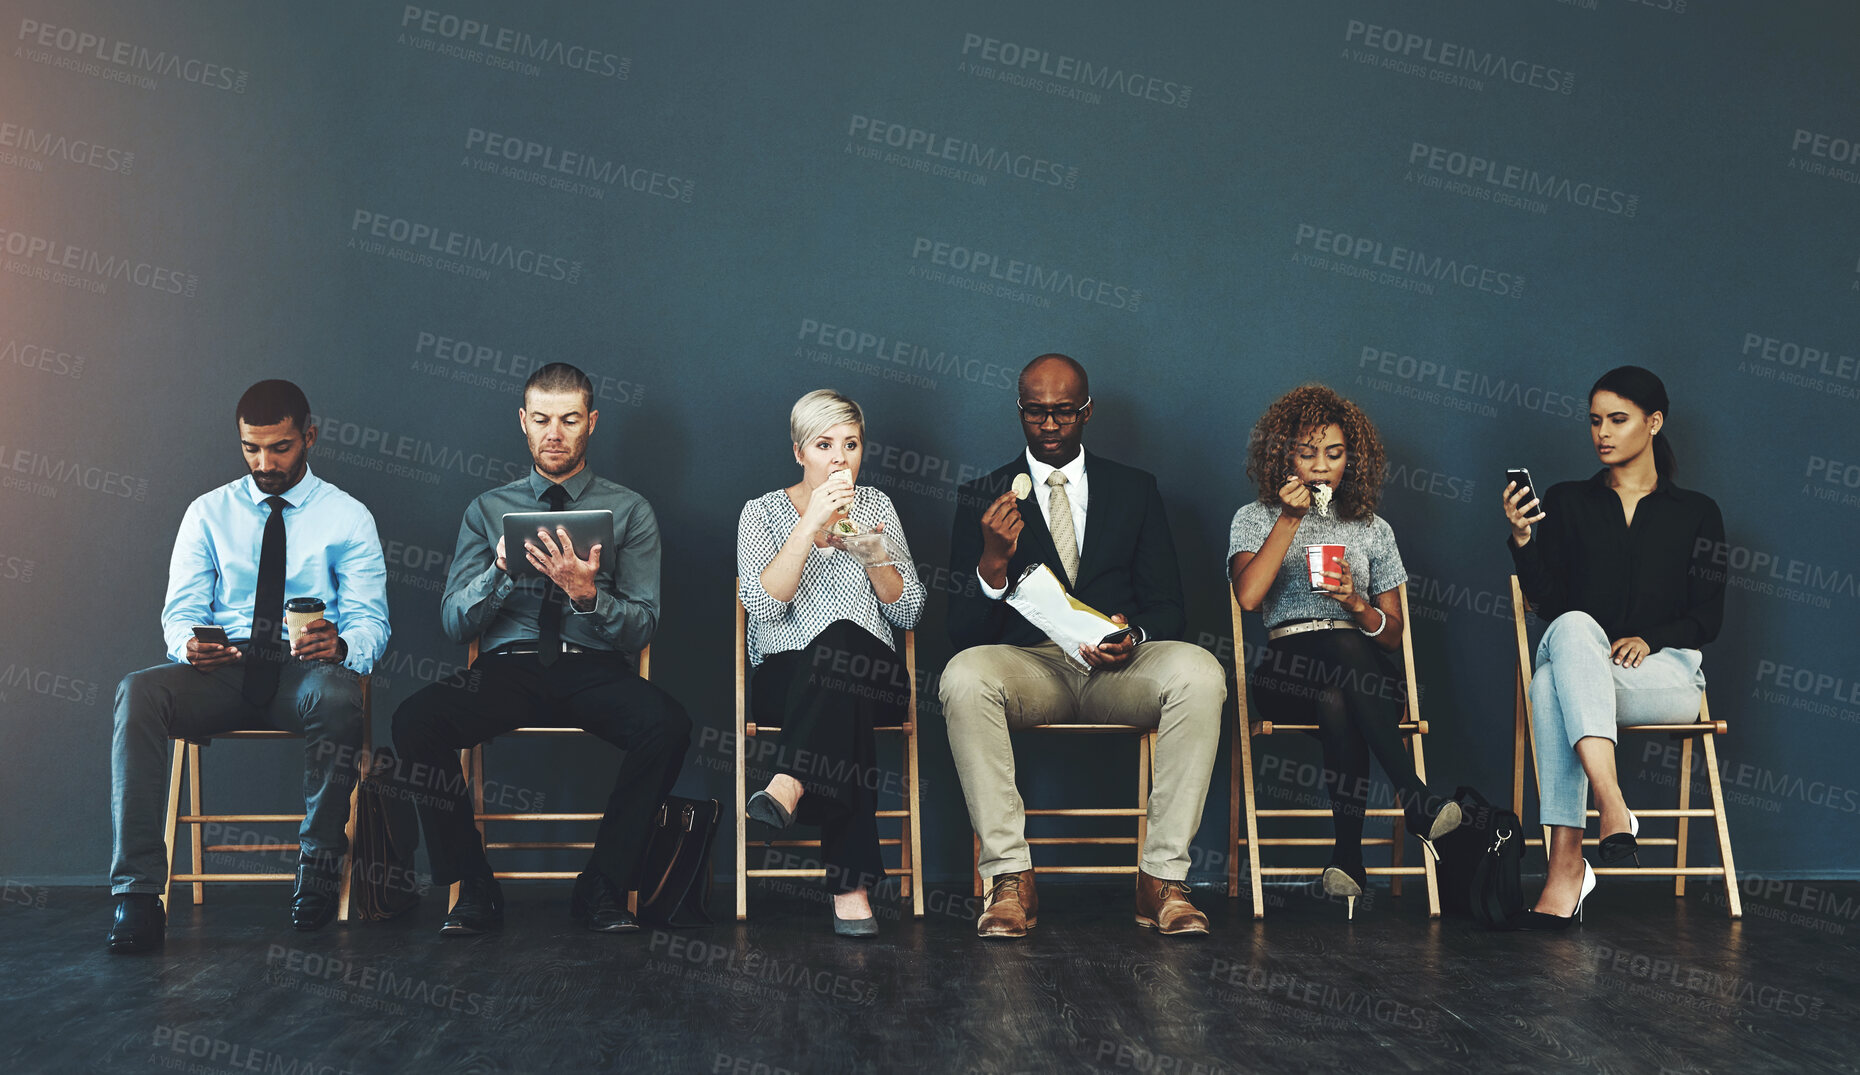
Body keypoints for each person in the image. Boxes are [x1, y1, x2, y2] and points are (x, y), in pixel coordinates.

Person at [391, 362, 691, 936]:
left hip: (593, 668)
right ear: (523, 423)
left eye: (570, 420)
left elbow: (642, 628)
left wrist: (586, 595)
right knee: (413, 721)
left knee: (669, 725)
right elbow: (455, 622)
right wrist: (499, 571)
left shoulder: (630, 510)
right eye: (543, 419)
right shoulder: (485, 510)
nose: (555, 433)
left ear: (592, 423)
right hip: (509, 670)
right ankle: (473, 885)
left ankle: (603, 884)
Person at [942, 354, 1226, 939]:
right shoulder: (984, 495)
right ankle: (1010, 881)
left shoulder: (1135, 490)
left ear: (1087, 411)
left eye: (1064, 412)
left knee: (1200, 671)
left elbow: (1170, 606)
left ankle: (1163, 879)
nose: (1049, 425)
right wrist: (992, 562)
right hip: (1033, 670)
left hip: (1118, 672)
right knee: (964, 675)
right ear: (1019, 411)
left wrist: (1132, 636)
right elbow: (962, 633)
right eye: (1036, 412)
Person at [107, 380, 390, 952]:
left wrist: (340, 645)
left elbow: (372, 625)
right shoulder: (207, 513)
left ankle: (317, 868)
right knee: (137, 692)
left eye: (280, 448)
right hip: (225, 669)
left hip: (304, 672)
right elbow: (181, 612)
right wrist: (190, 644)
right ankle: (137, 895)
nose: (266, 463)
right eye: (251, 449)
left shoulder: (347, 517)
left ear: (308, 437)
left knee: (339, 696)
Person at [1227, 385, 1463, 920]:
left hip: (1362, 671)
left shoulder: (1373, 529)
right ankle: (1415, 798)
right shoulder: (1254, 517)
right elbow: (1247, 598)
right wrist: (1289, 521)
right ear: (1284, 455)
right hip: (1286, 672)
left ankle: (1348, 860)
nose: (1320, 467)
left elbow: (1392, 634)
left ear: (1350, 458)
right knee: (1333, 657)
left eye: (1333, 454)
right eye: (1308, 453)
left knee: (1339, 687)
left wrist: (1355, 601)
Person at [1502, 365, 1723, 930]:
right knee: (1568, 644)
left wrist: (1651, 640)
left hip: (1665, 678)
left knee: (1549, 685)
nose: (1602, 432)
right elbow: (1549, 601)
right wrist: (1525, 540)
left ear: (1654, 423)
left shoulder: (1697, 512)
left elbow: (1707, 618)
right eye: (1595, 420)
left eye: (1618, 420)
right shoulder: (1567, 501)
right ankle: (1610, 807)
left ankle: (1569, 867)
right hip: (1586, 673)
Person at [737, 390, 925, 937]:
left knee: (844, 643)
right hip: (787, 678)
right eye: (825, 445)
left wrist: (872, 554)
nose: (840, 459)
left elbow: (910, 609)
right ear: (800, 452)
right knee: (840, 691)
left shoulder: (878, 507)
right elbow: (764, 606)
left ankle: (790, 778)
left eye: (851, 444)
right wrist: (807, 526)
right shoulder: (762, 512)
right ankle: (852, 887)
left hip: (876, 674)